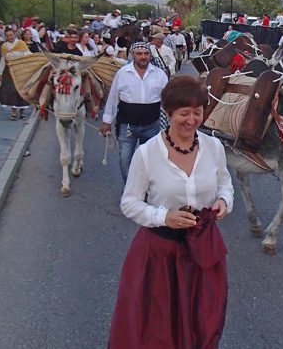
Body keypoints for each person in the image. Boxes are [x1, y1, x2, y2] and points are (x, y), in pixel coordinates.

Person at [108, 75, 233, 348]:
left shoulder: (213, 148)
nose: (191, 120)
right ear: (168, 113)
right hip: (159, 255)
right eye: (184, 114)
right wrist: (164, 217)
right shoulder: (147, 153)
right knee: (159, 331)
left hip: (204, 251)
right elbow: (129, 203)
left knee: (204, 323)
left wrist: (224, 200)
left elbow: (225, 183)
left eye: (197, 113)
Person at [100, 42, 169, 182]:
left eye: (146, 54)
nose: (143, 57)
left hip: (152, 125)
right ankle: (130, 192)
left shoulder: (159, 74)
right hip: (128, 126)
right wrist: (107, 122)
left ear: (150, 55)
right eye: (139, 54)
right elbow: (113, 98)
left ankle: (147, 191)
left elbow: (168, 100)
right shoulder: (123, 73)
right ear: (133, 55)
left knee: (150, 161)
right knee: (125, 160)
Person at [0, 28, 31, 120]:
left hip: (20, 70)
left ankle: (22, 111)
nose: (9, 37)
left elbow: (28, 56)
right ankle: (13, 112)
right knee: (11, 90)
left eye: (11, 35)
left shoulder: (21, 44)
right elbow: (2, 60)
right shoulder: (4, 46)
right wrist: (0, 73)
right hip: (8, 71)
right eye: (7, 36)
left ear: (14, 34)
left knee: (20, 90)